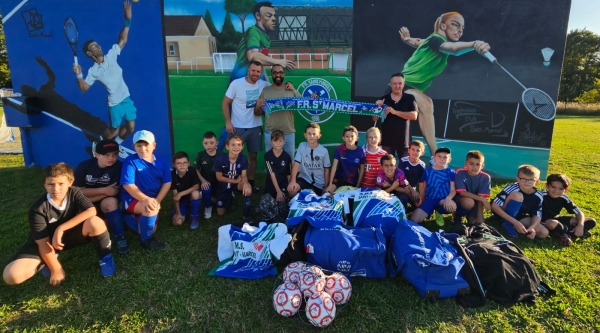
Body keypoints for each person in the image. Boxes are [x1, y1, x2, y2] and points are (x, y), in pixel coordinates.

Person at [3, 163, 115, 286]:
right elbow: (43, 243)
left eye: (61, 184)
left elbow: (91, 210)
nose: (56, 189)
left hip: (68, 237)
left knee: (96, 222)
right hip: (46, 243)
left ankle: (105, 258)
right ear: (44, 184)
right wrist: (56, 269)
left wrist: (61, 228)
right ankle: (47, 261)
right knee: (11, 276)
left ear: (70, 182)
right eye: (51, 184)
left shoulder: (74, 192)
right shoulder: (37, 209)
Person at [399, 12, 491, 156]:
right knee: (427, 103)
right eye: (455, 24)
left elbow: (417, 41)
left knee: (426, 103)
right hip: (401, 86)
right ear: (442, 25)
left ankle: (433, 152)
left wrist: (406, 39)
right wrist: (474, 44)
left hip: (410, 88)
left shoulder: (430, 41)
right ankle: (435, 153)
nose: (460, 30)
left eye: (462, 27)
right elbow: (454, 49)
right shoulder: (437, 39)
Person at [73, 1, 136, 151]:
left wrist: (127, 21)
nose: (98, 46)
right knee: (113, 130)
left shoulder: (111, 55)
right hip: (114, 103)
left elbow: (123, 40)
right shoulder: (94, 71)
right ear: (90, 53)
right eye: (94, 46)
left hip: (126, 98)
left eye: (97, 44)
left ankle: (117, 144)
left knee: (131, 127)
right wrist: (79, 75)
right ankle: (100, 144)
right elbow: (84, 88)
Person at [74, 139, 129, 254]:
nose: (111, 158)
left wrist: (104, 193)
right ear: (96, 154)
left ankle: (119, 236)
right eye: (107, 155)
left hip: (105, 201)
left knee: (110, 203)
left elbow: (113, 192)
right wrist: (104, 190)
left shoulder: (119, 167)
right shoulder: (84, 166)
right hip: (86, 202)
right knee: (73, 208)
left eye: (115, 154)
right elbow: (77, 192)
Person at [223, 61, 270, 193]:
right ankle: (234, 184)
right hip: (238, 127)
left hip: (255, 126)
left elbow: (276, 88)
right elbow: (225, 103)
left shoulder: (263, 85)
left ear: (260, 73)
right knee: (235, 156)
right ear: (248, 71)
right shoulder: (236, 84)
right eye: (253, 70)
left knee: (253, 156)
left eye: (258, 72)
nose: (255, 73)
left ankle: (250, 182)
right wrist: (228, 122)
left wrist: (288, 85)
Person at [121, 130, 171, 250]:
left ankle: (127, 217)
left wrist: (158, 200)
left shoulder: (162, 161)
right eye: (139, 145)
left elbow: (167, 182)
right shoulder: (130, 161)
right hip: (132, 198)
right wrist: (145, 199)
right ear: (134, 146)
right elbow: (128, 185)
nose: (143, 148)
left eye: (146, 145)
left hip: (152, 199)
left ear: (154, 145)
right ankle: (146, 241)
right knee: (150, 209)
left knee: (150, 229)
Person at [230, 2, 295, 82]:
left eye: (274, 15)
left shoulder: (264, 35)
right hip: (242, 79)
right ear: (258, 16)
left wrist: (267, 82)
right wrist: (278, 62)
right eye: (268, 15)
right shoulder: (253, 32)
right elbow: (253, 56)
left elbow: (260, 61)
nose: (274, 19)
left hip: (255, 78)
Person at [491, 164, 547, 239]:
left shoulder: (539, 195)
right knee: (518, 196)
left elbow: (537, 215)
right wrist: (515, 222)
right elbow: (494, 206)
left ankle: (518, 225)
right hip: (503, 211)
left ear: (536, 181)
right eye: (523, 179)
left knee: (544, 233)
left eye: (531, 180)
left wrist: (532, 228)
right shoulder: (512, 188)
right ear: (517, 179)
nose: (527, 182)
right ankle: (508, 223)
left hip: (519, 215)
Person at [256, 64, 300, 158]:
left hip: (288, 133)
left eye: (280, 72)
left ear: (283, 74)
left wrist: (294, 89)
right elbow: (259, 113)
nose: (278, 75)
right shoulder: (265, 91)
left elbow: (303, 104)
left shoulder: (291, 89)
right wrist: (258, 106)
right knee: (270, 162)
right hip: (270, 133)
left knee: (290, 162)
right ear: (271, 74)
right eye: (275, 73)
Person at [542, 174, 596, 246]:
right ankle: (567, 233)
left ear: (566, 190)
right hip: (543, 222)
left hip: (557, 219)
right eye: (553, 187)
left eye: (561, 189)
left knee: (590, 221)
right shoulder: (541, 195)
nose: (556, 191)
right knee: (551, 223)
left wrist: (580, 225)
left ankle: (565, 233)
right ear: (547, 185)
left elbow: (579, 212)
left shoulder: (564, 198)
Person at [375, 73, 418, 160]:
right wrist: (377, 108)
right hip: (387, 142)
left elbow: (414, 116)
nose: (397, 86)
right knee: (387, 168)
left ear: (403, 84)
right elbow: (374, 118)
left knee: (405, 169)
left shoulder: (410, 98)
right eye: (394, 83)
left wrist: (395, 112)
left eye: (400, 83)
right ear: (391, 84)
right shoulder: (384, 99)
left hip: (404, 142)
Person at [411, 147, 457, 224]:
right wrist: (421, 201)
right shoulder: (427, 171)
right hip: (430, 199)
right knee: (414, 220)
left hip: (443, 200)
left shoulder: (451, 172)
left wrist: (448, 199)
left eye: (445, 157)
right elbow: (423, 187)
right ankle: (430, 210)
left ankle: (442, 212)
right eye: (439, 156)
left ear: (449, 160)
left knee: (452, 206)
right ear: (434, 157)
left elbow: (453, 190)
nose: (442, 159)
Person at [213, 135, 253, 219]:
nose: (236, 147)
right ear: (227, 147)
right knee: (220, 213)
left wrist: (245, 183)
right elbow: (219, 177)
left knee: (248, 189)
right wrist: (234, 181)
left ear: (242, 147)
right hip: (223, 185)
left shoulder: (243, 158)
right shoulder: (220, 159)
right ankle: (222, 197)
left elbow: (244, 175)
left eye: (239, 145)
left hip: (237, 183)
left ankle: (247, 214)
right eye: (233, 145)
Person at [287, 123, 331, 197]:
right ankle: (291, 206)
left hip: (319, 183)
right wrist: (293, 181)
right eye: (309, 133)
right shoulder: (302, 146)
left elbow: (327, 170)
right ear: (305, 135)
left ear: (319, 136)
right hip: (304, 178)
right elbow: (296, 164)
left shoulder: (324, 151)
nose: (311, 136)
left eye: (314, 134)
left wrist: (325, 187)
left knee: (324, 197)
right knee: (292, 190)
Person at [453, 150, 491, 226]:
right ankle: (457, 215)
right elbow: (462, 192)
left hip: (477, 203)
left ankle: (471, 216)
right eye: (471, 164)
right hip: (462, 200)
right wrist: (482, 199)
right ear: (465, 164)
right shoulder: (460, 173)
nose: (474, 167)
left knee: (476, 224)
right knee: (469, 202)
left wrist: (479, 217)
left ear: (482, 166)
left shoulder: (486, 177)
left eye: (477, 164)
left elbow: (481, 197)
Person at [325, 125, 366, 193]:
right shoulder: (339, 149)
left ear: (357, 138)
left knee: (349, 199)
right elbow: (334, 167)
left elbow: (362, 170)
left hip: (353, 182)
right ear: (343, 138)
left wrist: (358, 186)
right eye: (347, 136)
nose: (349, 138)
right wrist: (329, 185)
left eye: (352, 136)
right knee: (328, 193)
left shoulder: (361, 151)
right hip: (339, 179)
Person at [194, 131, 223, 219]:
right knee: (206, 189)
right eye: (206, 143)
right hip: (206, 181)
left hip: (219, 181)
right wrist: (203, 181)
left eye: (211, 143)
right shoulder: (200, 155)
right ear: (202, 143)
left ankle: (214, 198)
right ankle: (208, 207)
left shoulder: (221, 155)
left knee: (220, 204)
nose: (209, 145)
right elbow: (196, 169)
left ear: (217, 143)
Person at [171, 152, 201, 229]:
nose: (182, 165)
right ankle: (186, 208)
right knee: (178, 222)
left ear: (188, 163)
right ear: (174, 165)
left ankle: (194, 217)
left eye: (185, 163)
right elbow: (175, 196)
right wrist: (178, 213)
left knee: (196, 193)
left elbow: (196, 186)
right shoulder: (172, 175)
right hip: (181, 200)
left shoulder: (192, 170)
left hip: (190, 195)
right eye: (178, 163)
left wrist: (180, 194)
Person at [264, 130, 292, 201]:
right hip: (271, 185)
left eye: (280, 141)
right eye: (275, 141)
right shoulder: (267, 156)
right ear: (271, 142)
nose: (278, 143)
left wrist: (289, 188)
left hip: (283, 184)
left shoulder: (287, 156)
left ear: (284, 142)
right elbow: (271, 174)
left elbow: (289, 174)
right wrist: (278, 191)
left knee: (284, 203)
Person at [399, 140, 426, 206]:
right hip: (401, 188)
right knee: (403, 198)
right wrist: (413, 191)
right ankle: (403, 213)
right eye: (413, 149)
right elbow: (402, 179)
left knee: (421, 204)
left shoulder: (422, 165)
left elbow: (421, 183)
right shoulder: (403, 161)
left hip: (412, 190)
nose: (415, 152)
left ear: (422, 153)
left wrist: (421, 199)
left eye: (418, 150)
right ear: (408, 150)